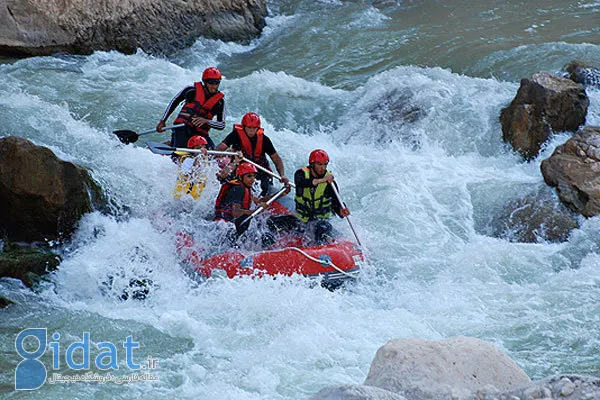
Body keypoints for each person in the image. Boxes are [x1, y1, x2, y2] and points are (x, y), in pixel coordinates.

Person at [267, 149, 350, 245]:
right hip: (302, 220)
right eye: (319, 164)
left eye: (325, 164)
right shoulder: (300, 174)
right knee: (271, 222)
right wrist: (322, 180)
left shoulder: (330, 183)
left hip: (320, 221)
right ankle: (271, 248)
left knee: (321, 228)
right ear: (312, 164)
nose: (322, 168)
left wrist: (341, 211)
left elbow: (336, 204)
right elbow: (303, 183)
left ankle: (319, 251)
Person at [215, 112, 288, 196]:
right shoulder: (235, 135)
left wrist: (282, 175)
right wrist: (225, 153)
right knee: (223, 180)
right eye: (249, 127)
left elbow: (276, 159)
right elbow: (220, 148)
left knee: (264, 187)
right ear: (244, 126)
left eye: (254, 128)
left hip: (259, 171)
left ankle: (263, 198)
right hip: (240, 169)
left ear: (258, 128)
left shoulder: (264, 140)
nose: (251, 130)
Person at [156, 66, 226, 149]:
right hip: (182, 128)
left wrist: (206, 121)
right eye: (211, 83)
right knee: (181, 152)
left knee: (212, 156)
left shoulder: (220, 102)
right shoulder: (191, 91)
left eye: (217, 83)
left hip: (200, 134)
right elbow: (173, 102)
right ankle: (171, 144)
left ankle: (171, 144)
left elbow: (221, 125)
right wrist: (163, 121)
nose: (214, 86)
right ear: (205, 82)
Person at [214, 163, 290, 237]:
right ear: (240, 177)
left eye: (254, 176)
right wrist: (256, 211)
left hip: (235, 224)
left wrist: (281, 193)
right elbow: (236, 213)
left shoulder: (246, 187)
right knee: (265, 236)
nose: (253, 180)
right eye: (249, 176)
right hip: (225, 227)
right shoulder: (238, 189)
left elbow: (259, 201)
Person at [173, 135, 210, 200]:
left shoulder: (206, 160)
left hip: (196, 195)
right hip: (183, 195)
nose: (201, 149)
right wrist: (200, 157)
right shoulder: (187, 160)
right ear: (192, 149)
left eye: (203, 147)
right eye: (198, 148)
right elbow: (189, 174)